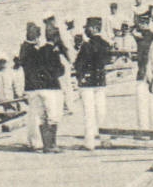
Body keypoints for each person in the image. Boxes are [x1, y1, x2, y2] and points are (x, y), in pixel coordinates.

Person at [17, 22, 66, 152]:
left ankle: (45, 145)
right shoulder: (49, 51)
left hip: (33, 88)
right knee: (53, 116)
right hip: (50, 87)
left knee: (40, 117)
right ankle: (52, 145)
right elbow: (59, 71)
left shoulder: (29, 49)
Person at [74, 16, 114, 150]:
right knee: (102, 111)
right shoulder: (105, 44)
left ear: (93, 28)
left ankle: (89, 142)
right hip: (100, 81)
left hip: (87, 83)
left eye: (87, 28)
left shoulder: (87, 45)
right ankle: (105, 140)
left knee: (89, 113)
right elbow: (109, 60)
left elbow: (78, 64)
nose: (86, 30)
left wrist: (79, 76)